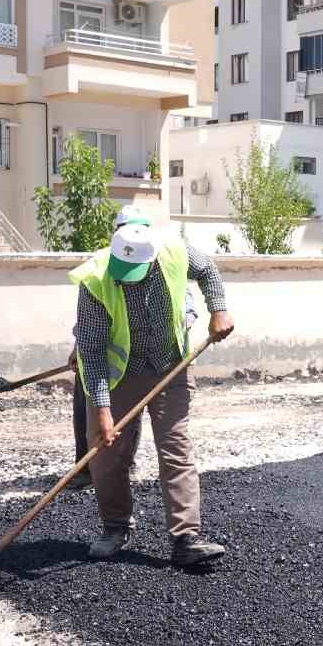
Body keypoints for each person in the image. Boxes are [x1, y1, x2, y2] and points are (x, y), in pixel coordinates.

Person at [70, 220, 235, 566]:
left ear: (152, 261)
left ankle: (186, 537)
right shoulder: (95, 280)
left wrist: (218, 308)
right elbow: (92, 350)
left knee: (176, 447)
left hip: (170, 364)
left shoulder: (175, 251)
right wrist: (101, 410)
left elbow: (208, 270)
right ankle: (115, 526)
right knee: (106, 452)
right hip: (119, 375)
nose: (124, 278)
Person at [66, 205, 152, 492]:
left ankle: (125, 463)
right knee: (88, 408)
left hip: (135, 359)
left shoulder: (156, 261)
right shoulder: (101, 265)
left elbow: (185, 307)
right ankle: (86, 466)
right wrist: (79, 348)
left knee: (131, 413)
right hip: (98, 351)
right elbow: (89, 316)